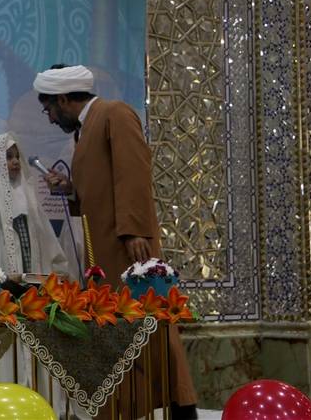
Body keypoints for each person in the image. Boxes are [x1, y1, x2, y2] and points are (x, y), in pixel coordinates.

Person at [33, 65, 198, 419]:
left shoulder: (114, 114)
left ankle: (182, 408)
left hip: (128, 248)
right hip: (104, 251)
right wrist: (70, 190)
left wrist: (135, 230)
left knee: (148, 325)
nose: (50, 118)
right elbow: (100, 189)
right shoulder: (85, 130)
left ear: (64, 99)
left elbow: (133, 172)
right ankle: (128, 408)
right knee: (121, 333)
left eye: (49, 109)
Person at [0, 132, 68, 278]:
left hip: (30, 277)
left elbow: (46, 242)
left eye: (17, 156)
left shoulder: (27, 195)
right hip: (1, 277)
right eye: (8, 157)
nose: (16, 161)